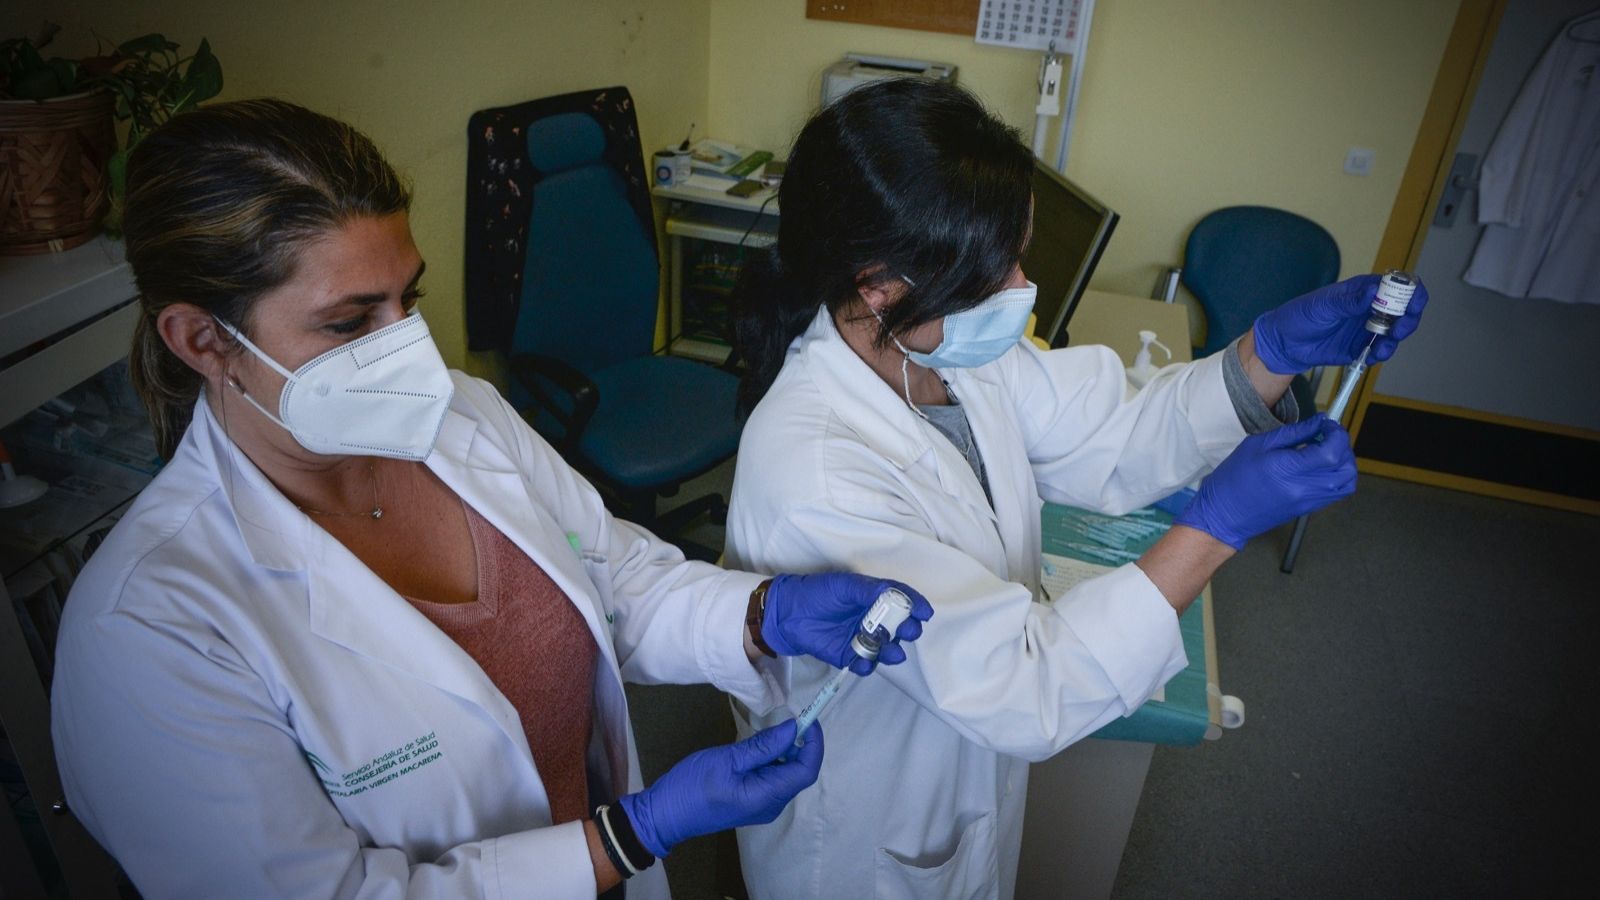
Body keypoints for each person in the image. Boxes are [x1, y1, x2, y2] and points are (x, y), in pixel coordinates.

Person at [48, 98, 932, 900]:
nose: (407, 350)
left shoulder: (460, 419)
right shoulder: (150, 627)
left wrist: (765, 612)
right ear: (204, 339)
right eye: (351, 323)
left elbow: (614, 578)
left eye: (410, 298)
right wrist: (629, 836)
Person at [723, 79, 1426, 899]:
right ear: (880, 282)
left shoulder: (941, 350)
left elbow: (1112, 437)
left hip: (954, 776)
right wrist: (1217, 527)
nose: (1021, 286)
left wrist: (1269, 353)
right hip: (865, 825)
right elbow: (1021, 684)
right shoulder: (814, 474)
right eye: (997, 271)